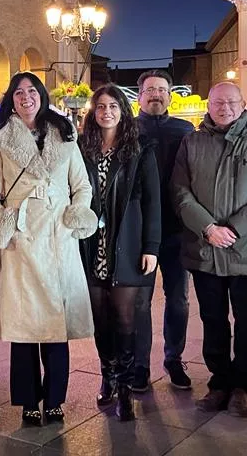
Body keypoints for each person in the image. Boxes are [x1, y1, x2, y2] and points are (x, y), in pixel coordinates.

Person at [0, 73, 97, 426]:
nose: (26, 97)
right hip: (22, 241)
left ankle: (56, 397)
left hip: (59, 239)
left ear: (42, 96)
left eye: (32, 91)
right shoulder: (1, 141)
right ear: (11, 100)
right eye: (19, 93)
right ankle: (29, 398)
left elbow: (82, 185)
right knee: (25, 326)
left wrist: (75, 214)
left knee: (56, 326)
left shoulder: (65, 136)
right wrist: (7, 220)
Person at [172, 82, 247, 417]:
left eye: (231, 101)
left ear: (243, 103)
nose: (224, 107)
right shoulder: (192, 141)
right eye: (217, 102)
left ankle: (242, 386)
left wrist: (234, 229)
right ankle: (219, 382)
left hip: (245, 248)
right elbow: (179, 191)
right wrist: (208, 227)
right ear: (208, 105)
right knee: (212, 319)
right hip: (204, 249)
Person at [78, 84, 161, 421]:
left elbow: (154, 202)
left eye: (113, 105)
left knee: (126, 320)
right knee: (100, 320)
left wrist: (151, 247)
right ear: (93, 112)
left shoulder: (140, 149)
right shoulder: (83, 149)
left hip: (125, 245)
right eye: (101, 106)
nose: (107, 111)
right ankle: (107, 377)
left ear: (123, 111)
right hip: (91, 245)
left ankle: (126, 386)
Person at [134, 69, 195, 392]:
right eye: (149, 90)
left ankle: (174, 358)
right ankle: (140, 365)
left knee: (179, 300)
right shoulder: (127, 129)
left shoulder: (185, 129)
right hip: (139, 234)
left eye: (161, 90)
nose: (155, 94)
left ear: (171, 96)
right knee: (139, 302)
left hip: (175, 231)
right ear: (140, 96)